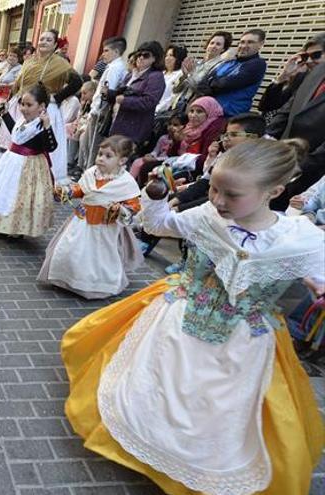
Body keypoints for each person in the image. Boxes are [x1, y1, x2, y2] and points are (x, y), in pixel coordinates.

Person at [62, 139, 324, 495]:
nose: (217, 200)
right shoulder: (207, 217)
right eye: (214, 188)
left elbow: (316, 272)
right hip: (180, 318)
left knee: (217, 406)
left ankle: (198, 466)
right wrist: (154, 199)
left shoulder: (300, 239)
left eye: (232, 194)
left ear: (274, 190)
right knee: (160, 382)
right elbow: (160, 225)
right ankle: (147, 440)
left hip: (244, 341)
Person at [38, 135, 142, 298]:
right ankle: (65, 278)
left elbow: (134, 205)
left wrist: (121, 209)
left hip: (105, 226)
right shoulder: (91, 173)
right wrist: (67, 192)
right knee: (72, 248)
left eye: (108, 156)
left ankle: (94, 285)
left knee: (99, 256)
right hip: (82, 220)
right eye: (100, 154)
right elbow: (81, 189)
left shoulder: (126, 182)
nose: (101, 159)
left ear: (122, 161)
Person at [0, 30, 83, 183]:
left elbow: (77, 82)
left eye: (48, 40)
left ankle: (38, 180)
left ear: (55, 44)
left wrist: (56, 98)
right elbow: (19, 83)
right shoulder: (30, 61)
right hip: (22, 106)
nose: (43, 42)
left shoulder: (60, 64)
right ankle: (13, 175)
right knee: (17, 139)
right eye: (42, 39)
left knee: (37, 146)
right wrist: (12, 100)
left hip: (44, 109)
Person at [0, 84, 58, 241]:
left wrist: (48, 127)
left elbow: (51, 146)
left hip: (29, 166)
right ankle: (4, 226)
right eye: (22, 104)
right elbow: (18, 135)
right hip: (11, 162)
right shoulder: (23, 121)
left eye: (29, 105)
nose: (24, 108)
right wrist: (6, 115)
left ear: (41, 106)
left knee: (20, 197)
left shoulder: (41, 125)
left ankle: (17, 229)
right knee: (5, 193)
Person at [267, 58, 325, 211]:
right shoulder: (317, 71)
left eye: (316, 54)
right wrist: (268, 138)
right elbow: (289, 107)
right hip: (282, 156)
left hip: (312, 168)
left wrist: (303, 165)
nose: (309, 59)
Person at [77, 37, 128, 172]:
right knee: (87, 144)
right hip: (96, 111)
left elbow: (106, 92)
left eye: (106, 51)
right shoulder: (112, 67)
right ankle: (85, 172)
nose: (103, 54)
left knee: (94, 147)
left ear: (116, 52)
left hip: (100, 113)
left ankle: (89, 174)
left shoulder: (115, 68)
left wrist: (99, 111)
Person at [197, 29, 268, 117]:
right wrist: (213, 83)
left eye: (250, 42)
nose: (244, 46)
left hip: (227, 116)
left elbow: (227, 84)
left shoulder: (257, 64)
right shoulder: (229, 61)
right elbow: (202, 82)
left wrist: (212, 83)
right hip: (207, 111)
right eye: (242, 42)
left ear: (260, 44)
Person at [108, 41, 166, 146]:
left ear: (155, 58)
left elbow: (149, 101)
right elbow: (122, 93)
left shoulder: (156, 77)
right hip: (117, 123)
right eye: (139, 54)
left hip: (133, 130)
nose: (141, 57)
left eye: (146, 55)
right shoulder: (131, 74)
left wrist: (124, 101)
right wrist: (110, 94)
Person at [259, 34, 325, 120]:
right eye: (305, 57)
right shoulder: (303, 78)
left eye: (315, 55)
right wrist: (284, 76)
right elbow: (267, 106)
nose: (309, 61)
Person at [172, 31, 232, 115]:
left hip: (192, 109)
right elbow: (175, 89)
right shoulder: (196, 64)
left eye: (218, 44)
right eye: (212, 43)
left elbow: (202, 90)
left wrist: (189, 75)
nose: (213, 46)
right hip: (176, 104)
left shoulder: (219, 68)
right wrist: (184, 76)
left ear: (223, 49)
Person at [156, 45, 188, 115]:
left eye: (171, 55)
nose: (167, 58)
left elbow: (173, 96)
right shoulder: (161, 73)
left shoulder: (181, 74)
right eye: (166, 55)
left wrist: (157, 109)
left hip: (162, 113)